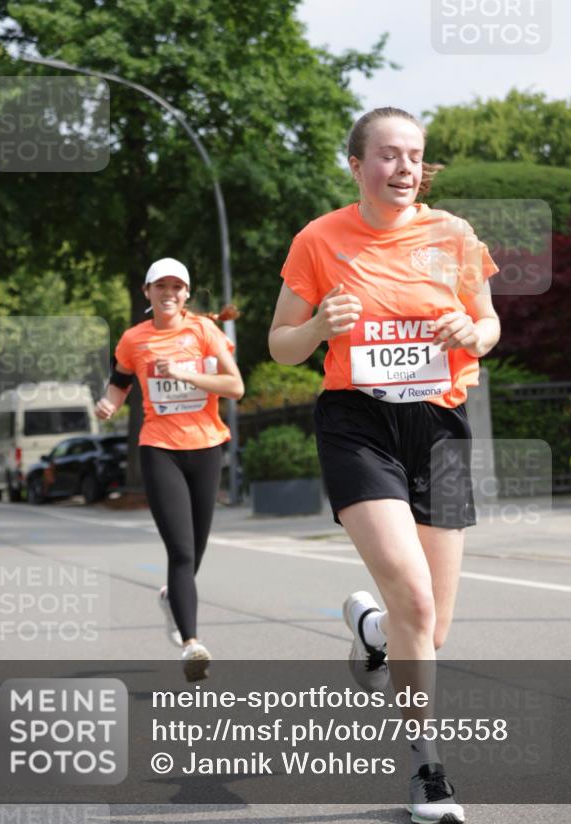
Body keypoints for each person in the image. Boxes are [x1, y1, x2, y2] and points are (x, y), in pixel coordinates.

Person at [269, 107, 500, 824]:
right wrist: (315, 327)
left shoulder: (452, 236)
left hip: (440, 425)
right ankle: (428, 770)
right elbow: (281, 345)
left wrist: (473, 330)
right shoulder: (319, 239)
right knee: (415, 599)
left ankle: (372, 632)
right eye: (388, 156)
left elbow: (487, 324)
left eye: (415, 156)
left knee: (428, 631)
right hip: (357, 423)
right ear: (355, 165)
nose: (404, 169)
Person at [96, 257, 244, 681]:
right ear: (147, 293)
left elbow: (235, 386)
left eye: (177, 287)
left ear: (186, 294)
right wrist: (110, 402)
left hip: (207, 447)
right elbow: (121, 379)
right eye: (161, 286)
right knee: (180, 551)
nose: (169, 294)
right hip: (159, 448)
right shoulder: (134, 339)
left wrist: (183, 372)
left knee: (195, 548)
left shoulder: (202, 331)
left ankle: (170, 599)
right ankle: (191, 645)